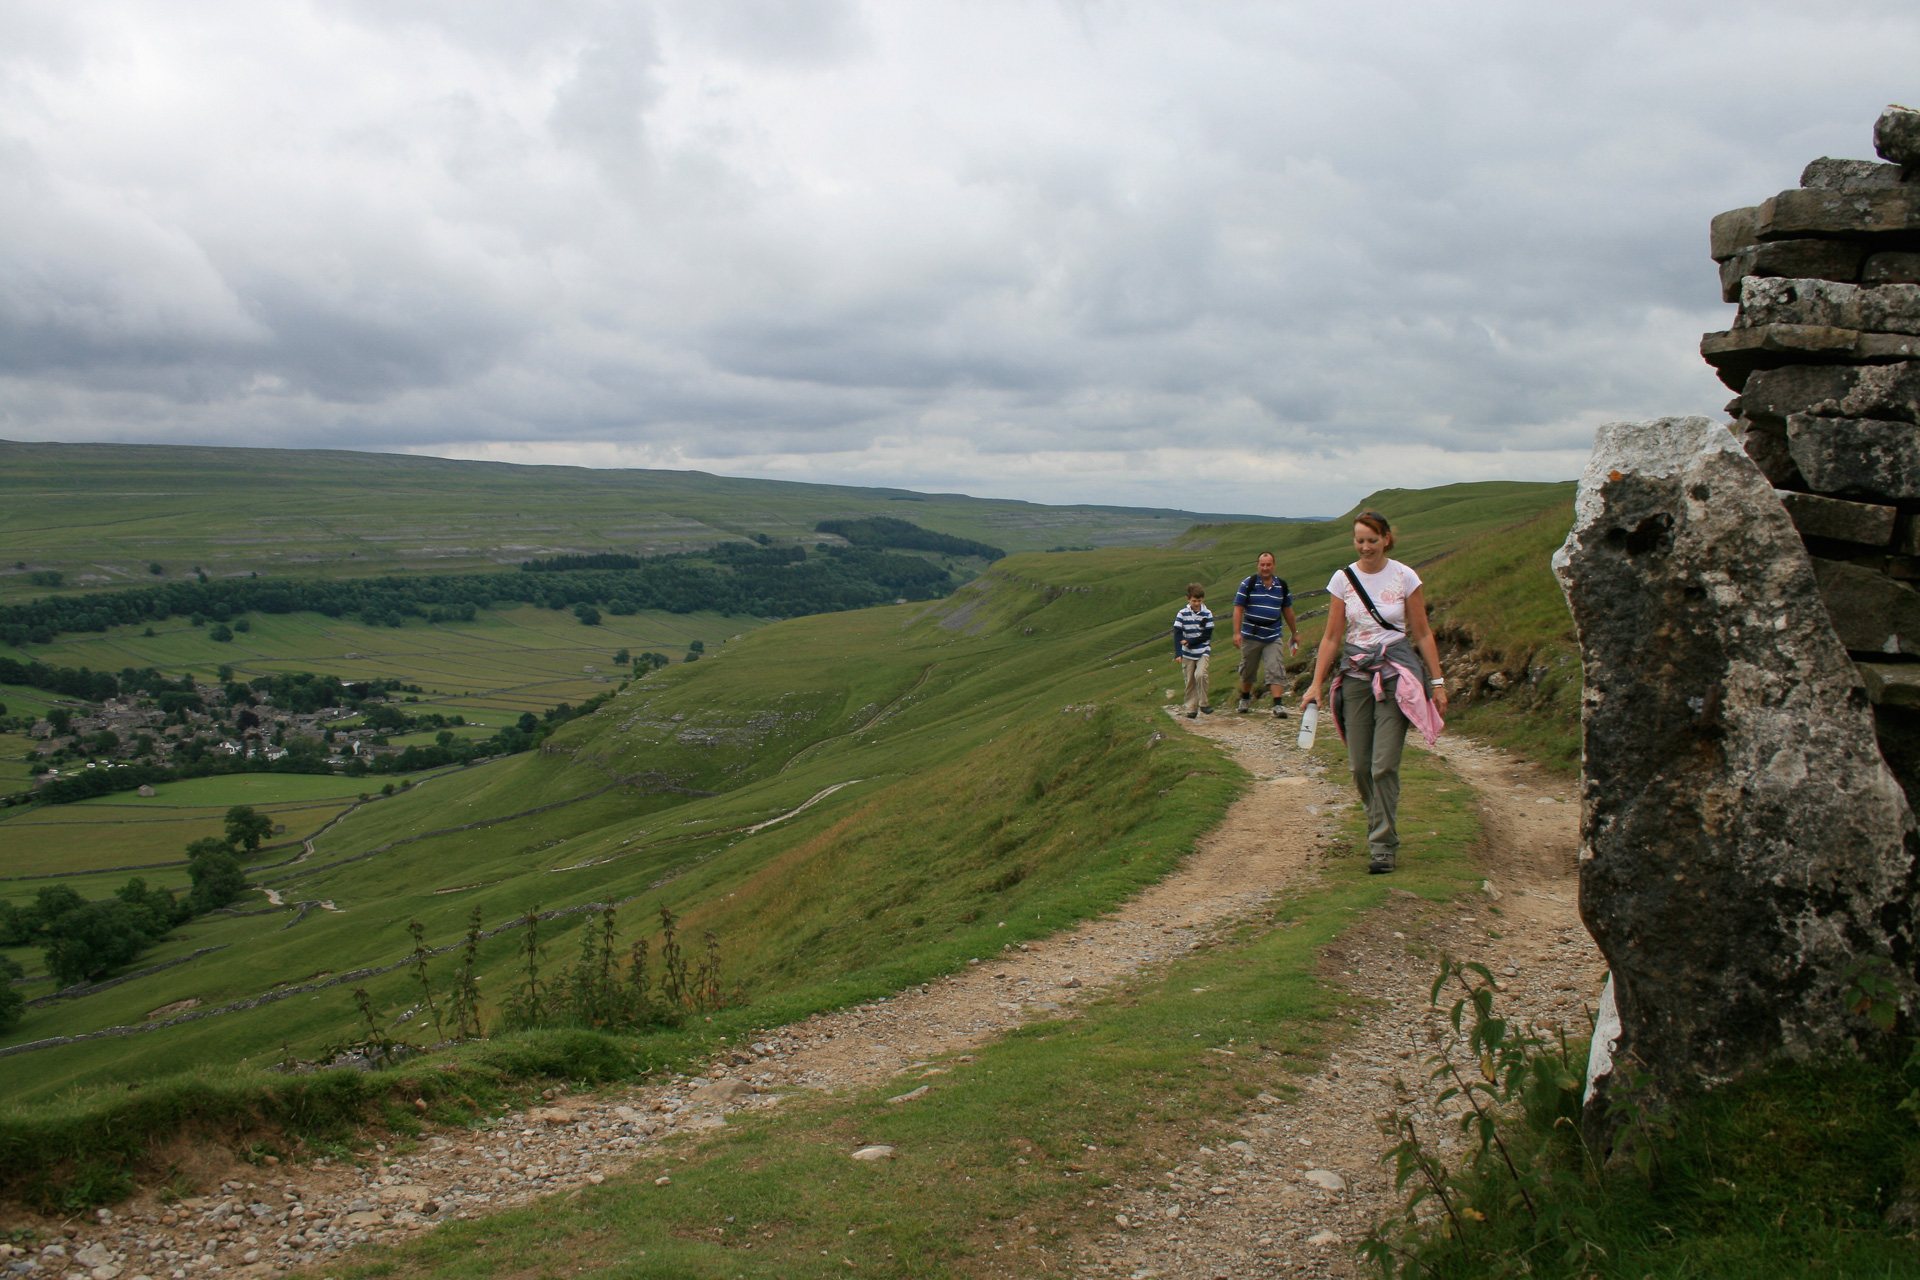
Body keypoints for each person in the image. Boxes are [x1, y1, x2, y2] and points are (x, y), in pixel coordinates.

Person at [1300, 511, 1448, 874]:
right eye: (1359, 540)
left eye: (1372, 540)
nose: (1365, 547)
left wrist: (1437, 682)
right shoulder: (1342, 579)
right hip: (1355, 677)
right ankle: (1378, 821)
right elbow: (1332, 636)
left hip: (1397, 676)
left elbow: (1422, 632)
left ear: (1386, 539)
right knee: (1359, 766)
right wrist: (1316, 684)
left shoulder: (1405, 576)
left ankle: (1382, 845)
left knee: (1383, 766)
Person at [1232, 553, 1299, 718]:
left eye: (1268, 564)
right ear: (1257, 565)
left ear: (1274, 565)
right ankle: (1245, 699)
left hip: (1273, 635)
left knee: (1275, 667)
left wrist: (1294, 633)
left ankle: (1278, 705)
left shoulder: (1281, 586)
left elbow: (1288, 610)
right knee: (1248, 669)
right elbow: (1238, 608)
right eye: (1262, 564)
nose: (1265, 568)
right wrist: (1236, 633)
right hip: (1251, 635)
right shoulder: (1248, 584)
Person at [1173, 583, 1214, 718]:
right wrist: (1178, 652)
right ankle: (1191, 709)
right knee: (1190, 680)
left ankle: (1204, 704)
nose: (1197, 604)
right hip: (1187, 653)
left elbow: (1207, 635)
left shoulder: (1207, 613)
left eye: (1199, 601)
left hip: (1203, 650)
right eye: (1194, 601)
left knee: (1201, 675)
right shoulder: (1182, 614)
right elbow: (1177, 633)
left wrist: (1191, 641)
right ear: (1188, 599)